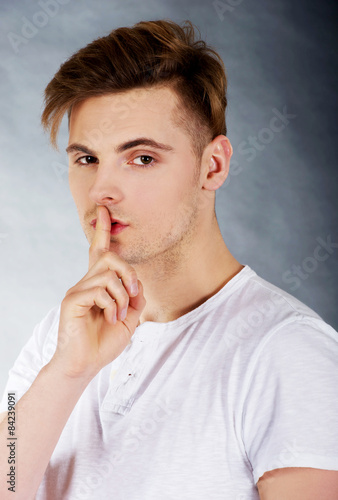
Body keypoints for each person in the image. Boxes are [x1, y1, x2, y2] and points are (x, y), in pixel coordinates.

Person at [0, 19, 337, 500]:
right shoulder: (56, 340)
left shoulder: (289, 353)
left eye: (141, 158)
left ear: (212, 165)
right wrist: (66, 372)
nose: (101, 192)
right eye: (86, 159)